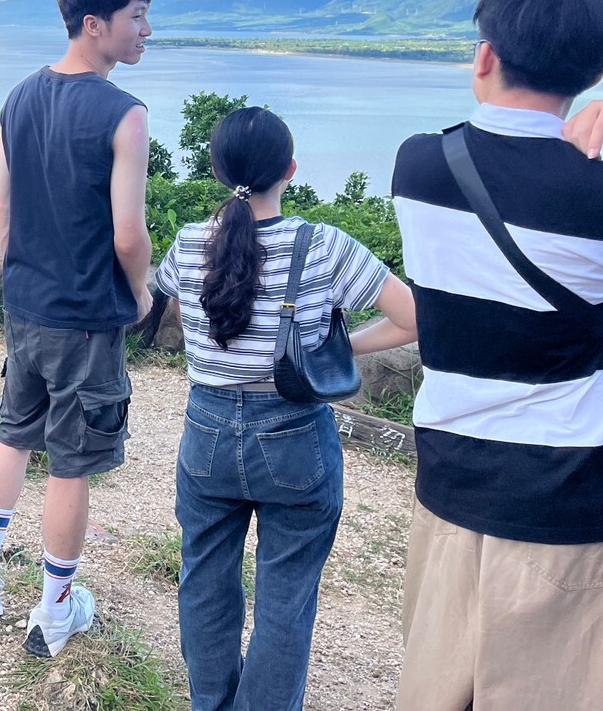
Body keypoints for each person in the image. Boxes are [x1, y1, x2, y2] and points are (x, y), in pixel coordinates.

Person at [391, 0, 603, 711]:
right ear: (596, 69)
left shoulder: (420, 164)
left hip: (451, 481)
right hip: (581, 498)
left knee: (440, 686)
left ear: (485, 55)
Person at [156, 107, 417, 710]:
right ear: (291, 170)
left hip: (207, 431)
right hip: (294, 432)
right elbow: (413, 318)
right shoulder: (323, 246)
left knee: (204, 582)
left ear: (217, 171)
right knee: (286, 597)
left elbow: (153, 296)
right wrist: (335, 345)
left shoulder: (192, 241)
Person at [0, 0, 153, 659]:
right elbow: (128, 233)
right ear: (94, 23)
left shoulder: (17, 96)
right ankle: (54, 610)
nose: (144, 31)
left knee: (12, 432)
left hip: (27, 301)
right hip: (85, 314)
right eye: (136, 16)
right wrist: (141, 289)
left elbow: (2, 207)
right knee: (70, 462)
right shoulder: (124, 115)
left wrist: (20, 273)